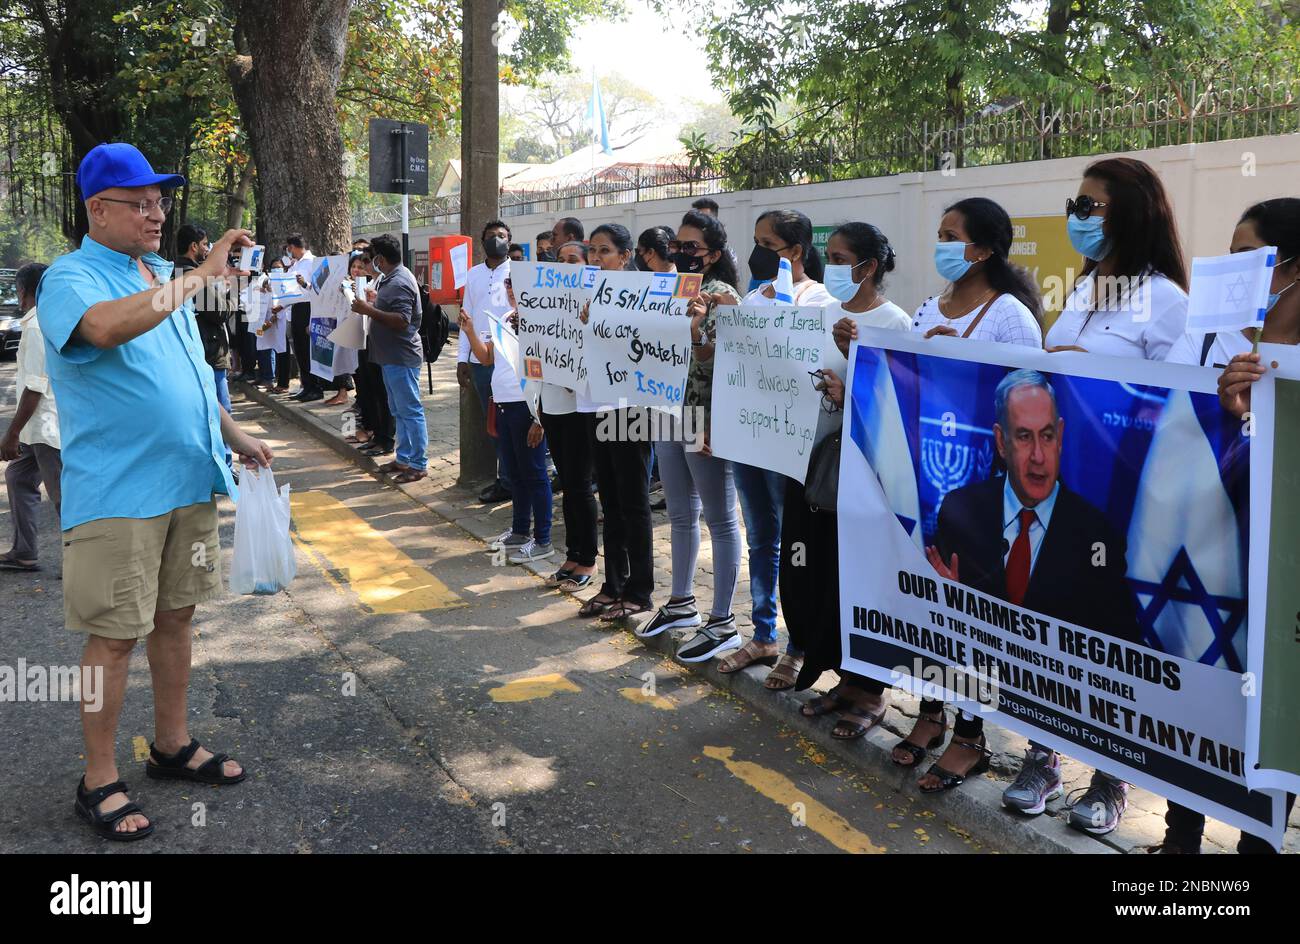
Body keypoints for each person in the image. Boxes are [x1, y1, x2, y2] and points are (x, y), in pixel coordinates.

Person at [37, 142, 272, 841]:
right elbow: (108, 330)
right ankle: (99, 778)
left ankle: (171, 746)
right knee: (113, 639)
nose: (156, 212)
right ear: (96, 209)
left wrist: (233, 434)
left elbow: (190, 376)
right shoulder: (71, 277)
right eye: (139, 202)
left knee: (177, 619)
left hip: (186, 480)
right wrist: (199, 274)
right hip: (118, 492)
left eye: (160, 200)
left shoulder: (158, 273)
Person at [1157, 197, 1300, 855]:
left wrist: (1258, 414)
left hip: (1283, 564)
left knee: (1274, 702)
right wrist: (1229, 411)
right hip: (1207, 543)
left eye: (1247, 255)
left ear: (1289, 267)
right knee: (1200, 688)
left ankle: (1258, 844)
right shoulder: (1208, 331)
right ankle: (1181, 833)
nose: (1230, 265)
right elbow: (1161, 415)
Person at [889, 195, 1044, 792]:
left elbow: (1025, 394)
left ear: (982, 249)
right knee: (930, 608)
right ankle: (930, 714)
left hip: (981, 490)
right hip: (926, 483)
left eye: (952, 235)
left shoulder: (1010, 315)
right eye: (940, 233)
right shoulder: (930, 305)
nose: (942, 244)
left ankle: (971, 735)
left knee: (972, 610)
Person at [773, 223, 912, 737]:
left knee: (858, 578)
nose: (829, 265)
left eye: (839, 257)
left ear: (868, 267)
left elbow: (898, 407)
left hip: (861, 480)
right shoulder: (819, 312)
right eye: (826, 256)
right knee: (815, 577)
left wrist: (850, 380)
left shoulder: (895, 323)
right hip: (807, 468)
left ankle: (869, 691)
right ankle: (838, 677)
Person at [723, 208, 833, 691]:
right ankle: (763, 632)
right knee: (761, 537)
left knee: (795, 545)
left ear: (796, 251)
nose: (757, 252)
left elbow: (808, 369)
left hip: (790, 443)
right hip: (747, 435)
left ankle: (798, 646)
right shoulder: (752, 297)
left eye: (767, 244)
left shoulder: (821, 302)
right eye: (755, 242)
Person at [634, 210, 744, 661]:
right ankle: (681, 603)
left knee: (719, 519)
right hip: (668, 409)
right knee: (680, 514)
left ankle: (724, 621)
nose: (681, 252)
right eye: (677, 245)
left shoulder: (724, 297)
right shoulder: (667, 288)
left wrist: (698, 328)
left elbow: (727, 360)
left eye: (691, 247)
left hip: (706, 418)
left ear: (714, 254)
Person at [578, 223, 656, 620]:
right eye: (593, 251)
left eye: (604, 251)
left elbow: (650, 348)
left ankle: (640, 589)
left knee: (634, 500)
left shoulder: (645, 294)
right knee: (608, 498)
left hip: (633, 408)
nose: (596, 258)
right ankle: (613, 584)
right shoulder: (587, 289)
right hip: (595, 404)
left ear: (625, 256)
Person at [1045, 157, 1189, 358]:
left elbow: (1177, 388)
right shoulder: (1083, 288)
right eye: (1073, 208)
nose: (1074, 218)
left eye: (1085, 206)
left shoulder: (1168, 301)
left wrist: (1099, 373)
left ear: (1130, 215)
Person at [460, 272, 554, 562]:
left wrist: (539, 418)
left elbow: (548, 371)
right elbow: (487, 357)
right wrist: (470, 331)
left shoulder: (542, 323)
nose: (512, 291)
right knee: (515, 474)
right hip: (503, 405)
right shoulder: (506, 317)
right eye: (509, 286)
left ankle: (543, 540)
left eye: (518, 286)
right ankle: (520, 531)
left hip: (526, 408)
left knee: (535, 474)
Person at [1168, 198, 1300, 367]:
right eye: (1233, 257)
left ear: (1297, 268)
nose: (1235, 270)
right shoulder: (1204, 340)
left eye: (1248, 256)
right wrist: (1224, 392)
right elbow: (1170, 392)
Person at [539, 240, 600, 590]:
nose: (565, 265)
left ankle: (587, 560)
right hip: (551, 402)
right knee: (567, 483)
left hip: (581, 404)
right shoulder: (547, 302)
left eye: (572, 260)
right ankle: (572, 553)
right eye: (559, 260)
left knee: (580, 485)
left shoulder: (595, 302)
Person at [350, 233, 427, 483]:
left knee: (410, 410)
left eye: (372, 258)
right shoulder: (390, 279)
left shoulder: (399, 281)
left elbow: (403, 320)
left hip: (401, 357)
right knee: (399, 410)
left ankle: (418, 463)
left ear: (381, 259)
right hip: (391, 357)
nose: (369, 263)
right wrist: (376, 303)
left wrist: (368, 309)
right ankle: (404, 458)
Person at [1, 261, 60, 572]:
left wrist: (11, 433)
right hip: (38, 428)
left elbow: (35, 388)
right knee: (18, 476)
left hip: (47, 426)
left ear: (23, 292)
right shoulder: (42, 321)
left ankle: (84, 562)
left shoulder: (37, 327)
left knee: (63, 498)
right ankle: (24, 552)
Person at [457, 220, 514, 504]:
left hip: (509, 360)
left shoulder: (517, 273)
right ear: (482, 242)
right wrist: (461, 359)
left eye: (501, 236)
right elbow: (465, 316)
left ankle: (511, 479)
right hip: (479, 360)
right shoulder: (474, 274)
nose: (496, 240)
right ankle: (505, 479)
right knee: (493, 424)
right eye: (491, 236)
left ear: (509, 240)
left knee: (511, 422)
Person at [174, 224, 234, 465]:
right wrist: (230, 296)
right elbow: (217, 311)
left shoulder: (173, 271)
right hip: (209, 353)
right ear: (194, 246)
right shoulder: (191, 274)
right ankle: (225, 465)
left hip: (194, 352)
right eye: (206, 244)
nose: (207, 249)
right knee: (220, 413)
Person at [285, 234, 323, 401]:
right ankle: (306, 385)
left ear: (294, 246)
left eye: (289, 248)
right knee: (299, 349)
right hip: (296, 306)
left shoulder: (313, 261)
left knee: (308, 349)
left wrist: (304, 284)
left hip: (308, 307)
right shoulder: (296, 264)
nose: (289, 251)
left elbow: (318, 288)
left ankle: (316, 387)